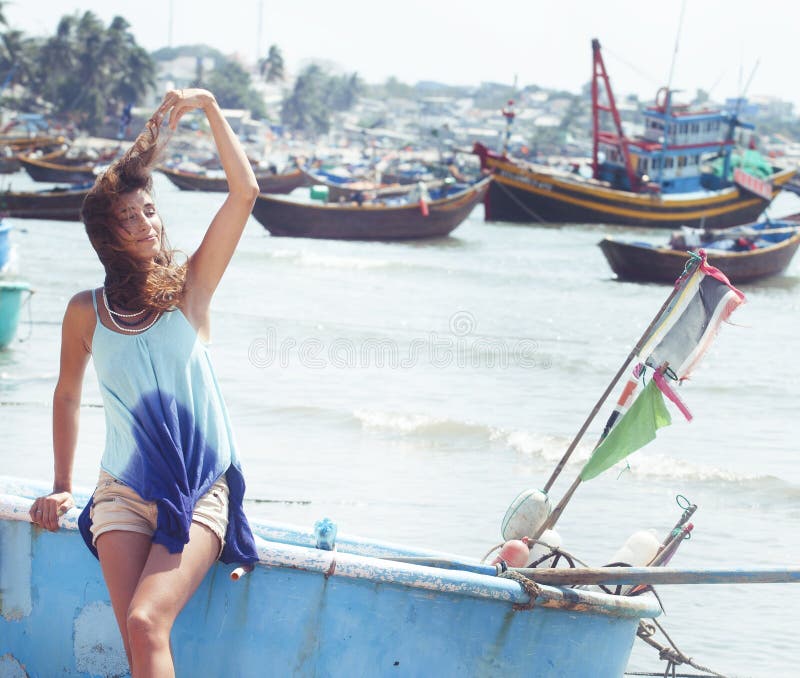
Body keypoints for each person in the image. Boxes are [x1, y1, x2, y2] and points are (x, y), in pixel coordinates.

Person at [28, 88, 260, 677]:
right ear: (108, 237)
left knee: (144, 622)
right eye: (127, 218)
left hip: (199, 486)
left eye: (149, 210)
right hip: (120, 493)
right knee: (138, 640)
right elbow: (66, 394)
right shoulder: (87, 310)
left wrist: (208, 111)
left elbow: (245, 193)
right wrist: (61, 484)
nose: (143, 223)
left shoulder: (190, 290)